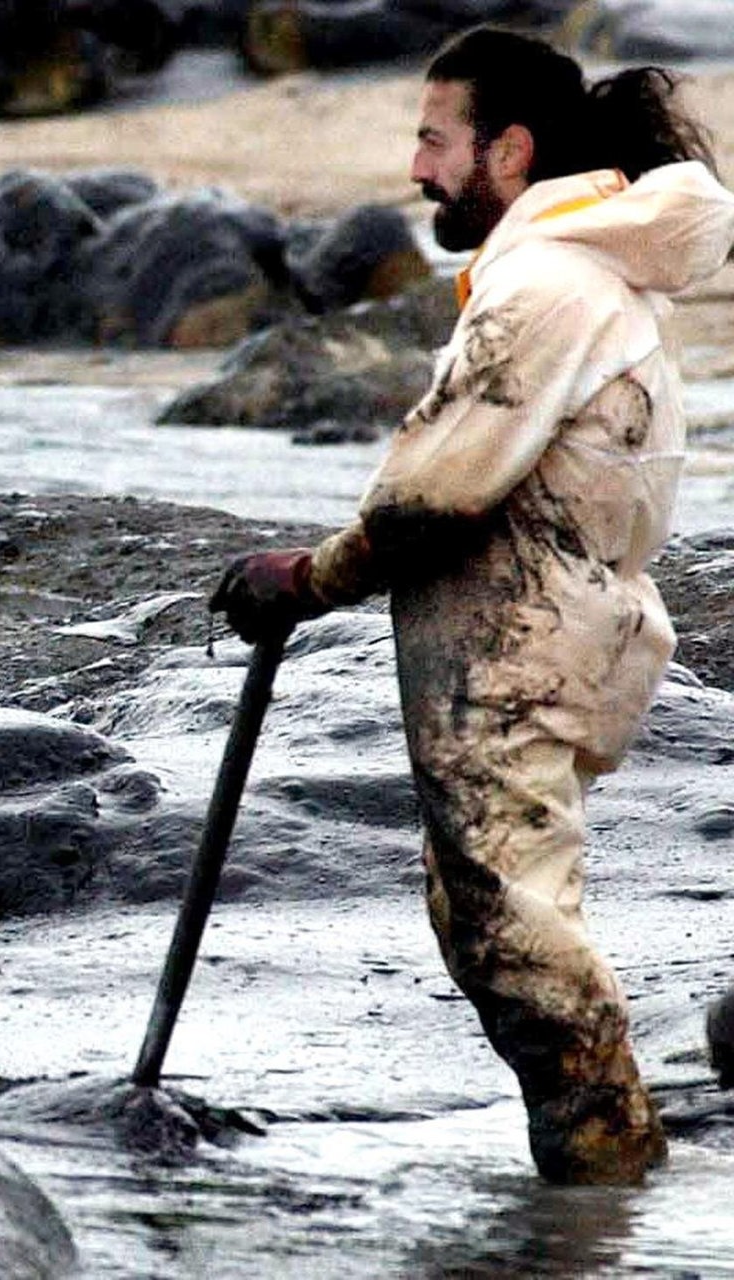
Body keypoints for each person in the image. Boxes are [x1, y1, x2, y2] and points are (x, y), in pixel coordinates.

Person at [210, 25, 734, 1185]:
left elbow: (432, 490)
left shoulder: (545, 283)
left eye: (433, 140)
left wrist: (307, 576)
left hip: (514, 641)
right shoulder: (578, 271)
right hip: (546, 628)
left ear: (509, 149)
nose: (415, 169)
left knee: (511, 931)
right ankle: (609, 1175)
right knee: (487, 909)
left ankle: (601, 1183)